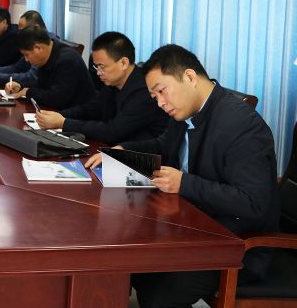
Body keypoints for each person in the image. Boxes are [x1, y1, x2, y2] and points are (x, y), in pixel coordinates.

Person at [84, 44, 279, 308]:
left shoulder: (241, 125)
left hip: (237, 244)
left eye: (162, 91)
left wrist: (184, 183)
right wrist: (122, 152)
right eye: (154, 97)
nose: (160, 103)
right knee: (128, 256)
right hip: (193, 226)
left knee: (159, 292)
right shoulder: (187, 111)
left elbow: (252, 202)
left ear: (189, 77)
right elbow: (163, 147)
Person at [35, 31, 168, 143]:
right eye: (96, 67)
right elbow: (92, 108)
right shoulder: (113, 83)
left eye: (102, 67)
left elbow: (114, 131)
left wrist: (64, 123)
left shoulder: (144, 91)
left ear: (123, 63)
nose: (98, 72)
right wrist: (59, 115)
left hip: (142, 158)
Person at [11, 27, 95, 110]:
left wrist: (29, 92)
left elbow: (58, 99)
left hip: (79, 114)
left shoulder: (67, 60)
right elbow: (42, 86)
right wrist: (21, 87)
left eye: (26, 55)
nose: (26, 60)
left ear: (38, 48)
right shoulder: (48, 55)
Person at [0, 10, 48, 87]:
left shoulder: (43, 45)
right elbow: (17, 67)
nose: (19, 34)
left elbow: (31, 77)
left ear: (36, 27)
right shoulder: (32, 42)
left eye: (22, 31)